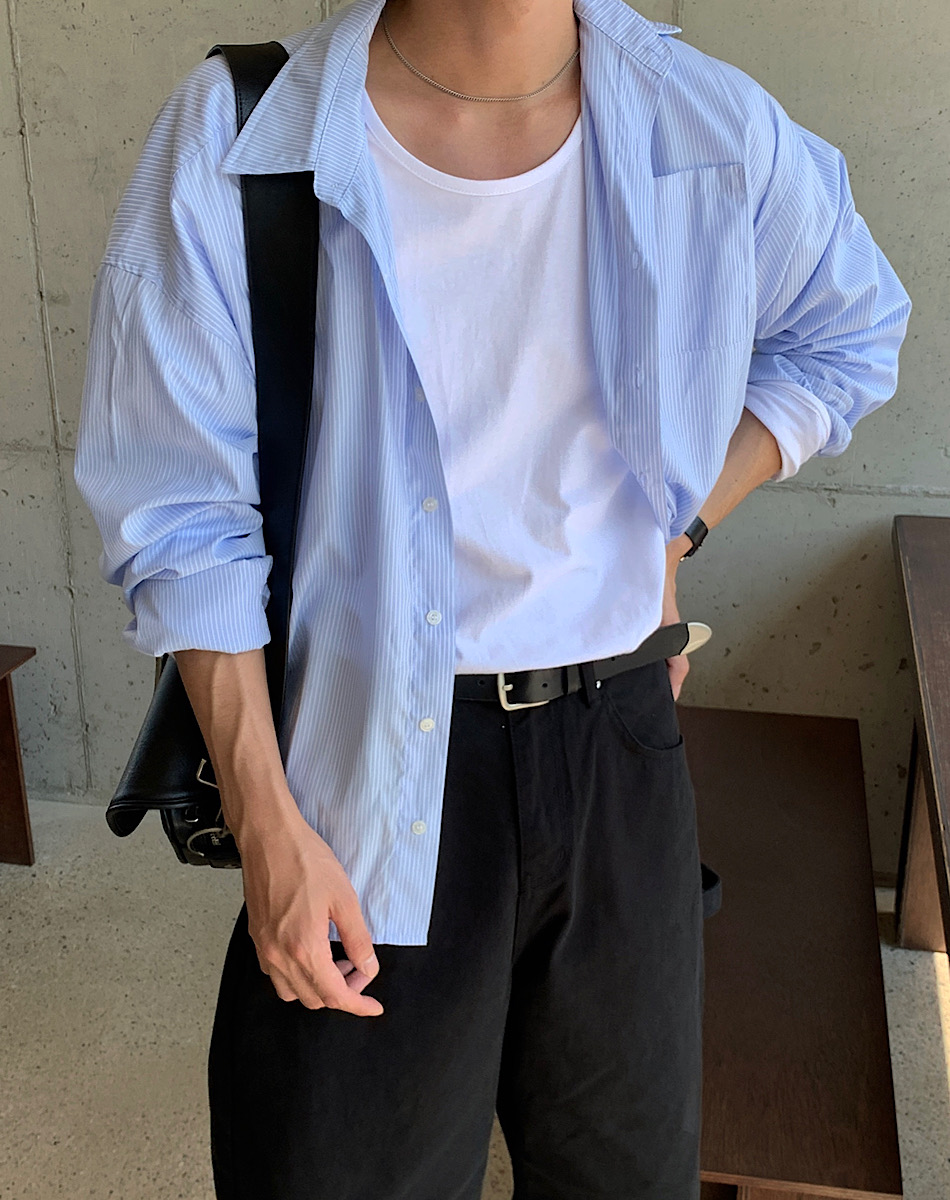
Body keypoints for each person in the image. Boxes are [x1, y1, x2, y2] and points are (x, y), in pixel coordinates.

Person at [74, 0, 912, 1196]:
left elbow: (844, 336)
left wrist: (674, 532)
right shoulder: (245, 128)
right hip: (365, 760)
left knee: (622, 1175)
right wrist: (264, 823)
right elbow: (181, 513)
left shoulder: (705, 125)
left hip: (618, 746)